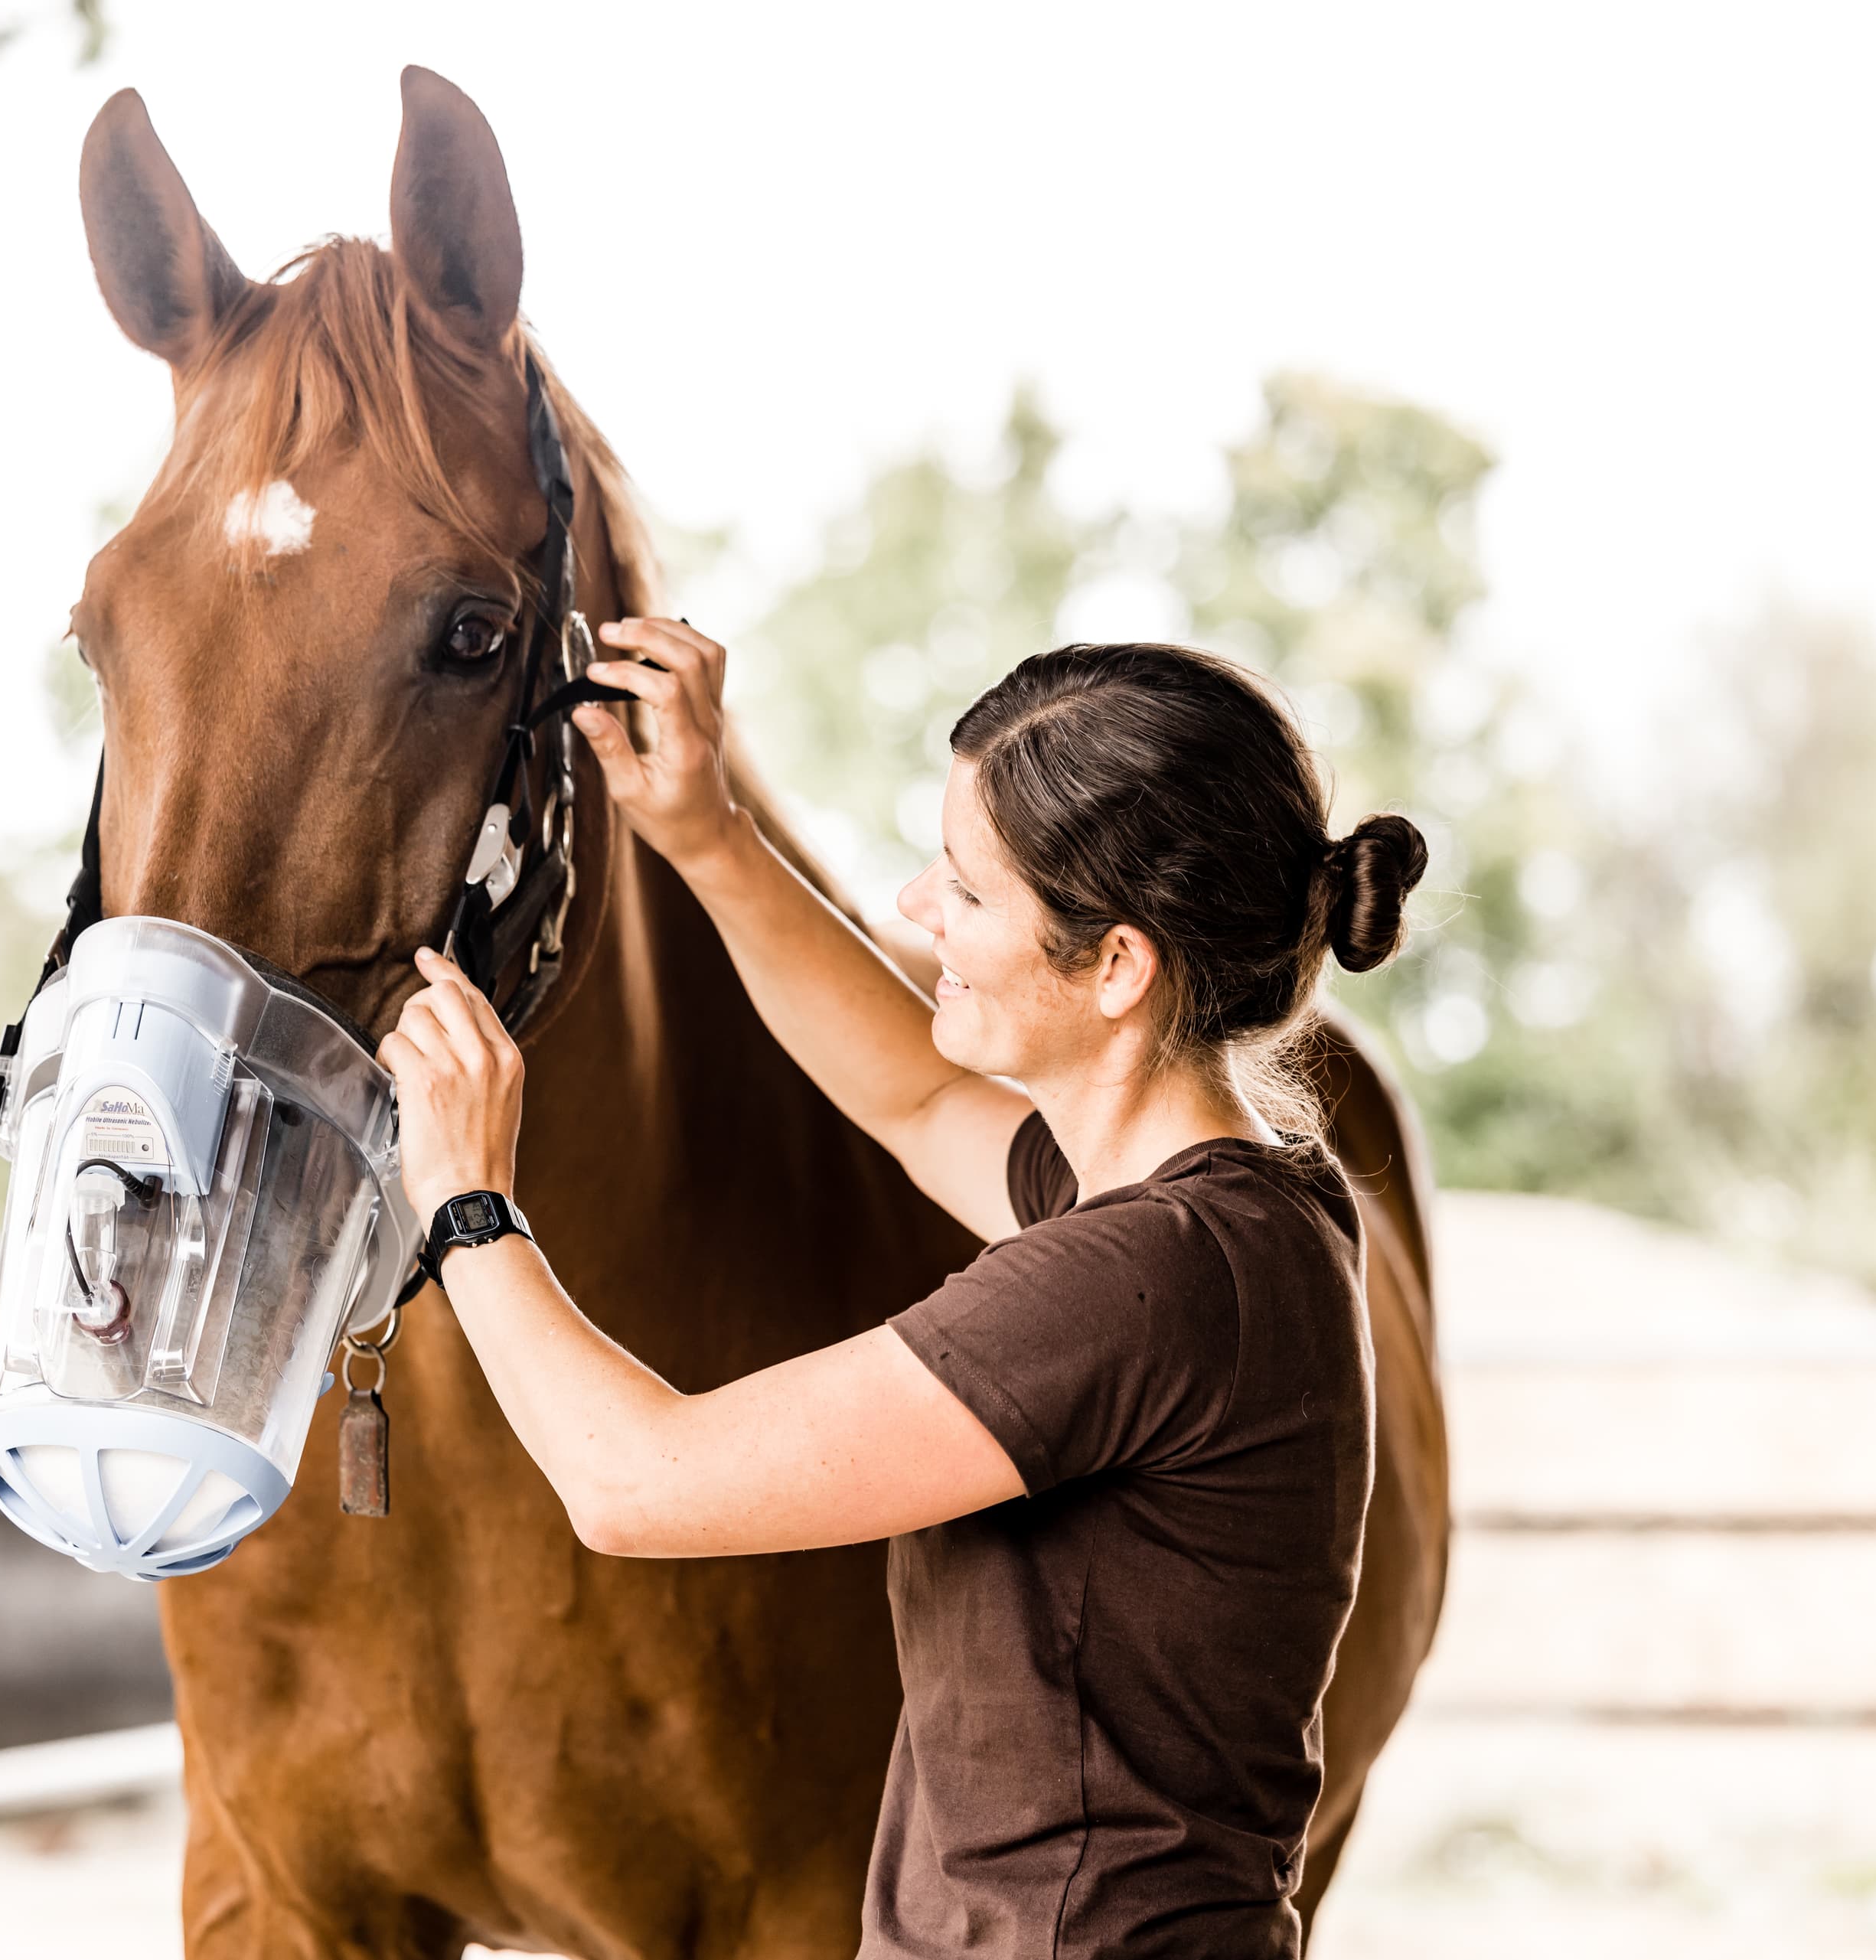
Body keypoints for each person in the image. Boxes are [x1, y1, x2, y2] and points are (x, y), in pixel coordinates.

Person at [379, 625, 1428, 1958]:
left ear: (1116, 965)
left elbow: (633, 1482)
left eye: (968, 890)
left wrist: (467, 1201)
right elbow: (916, 1096)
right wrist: (709, 836)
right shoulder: (1253, 1209)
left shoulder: (1140, 1282)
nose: (920, 905)